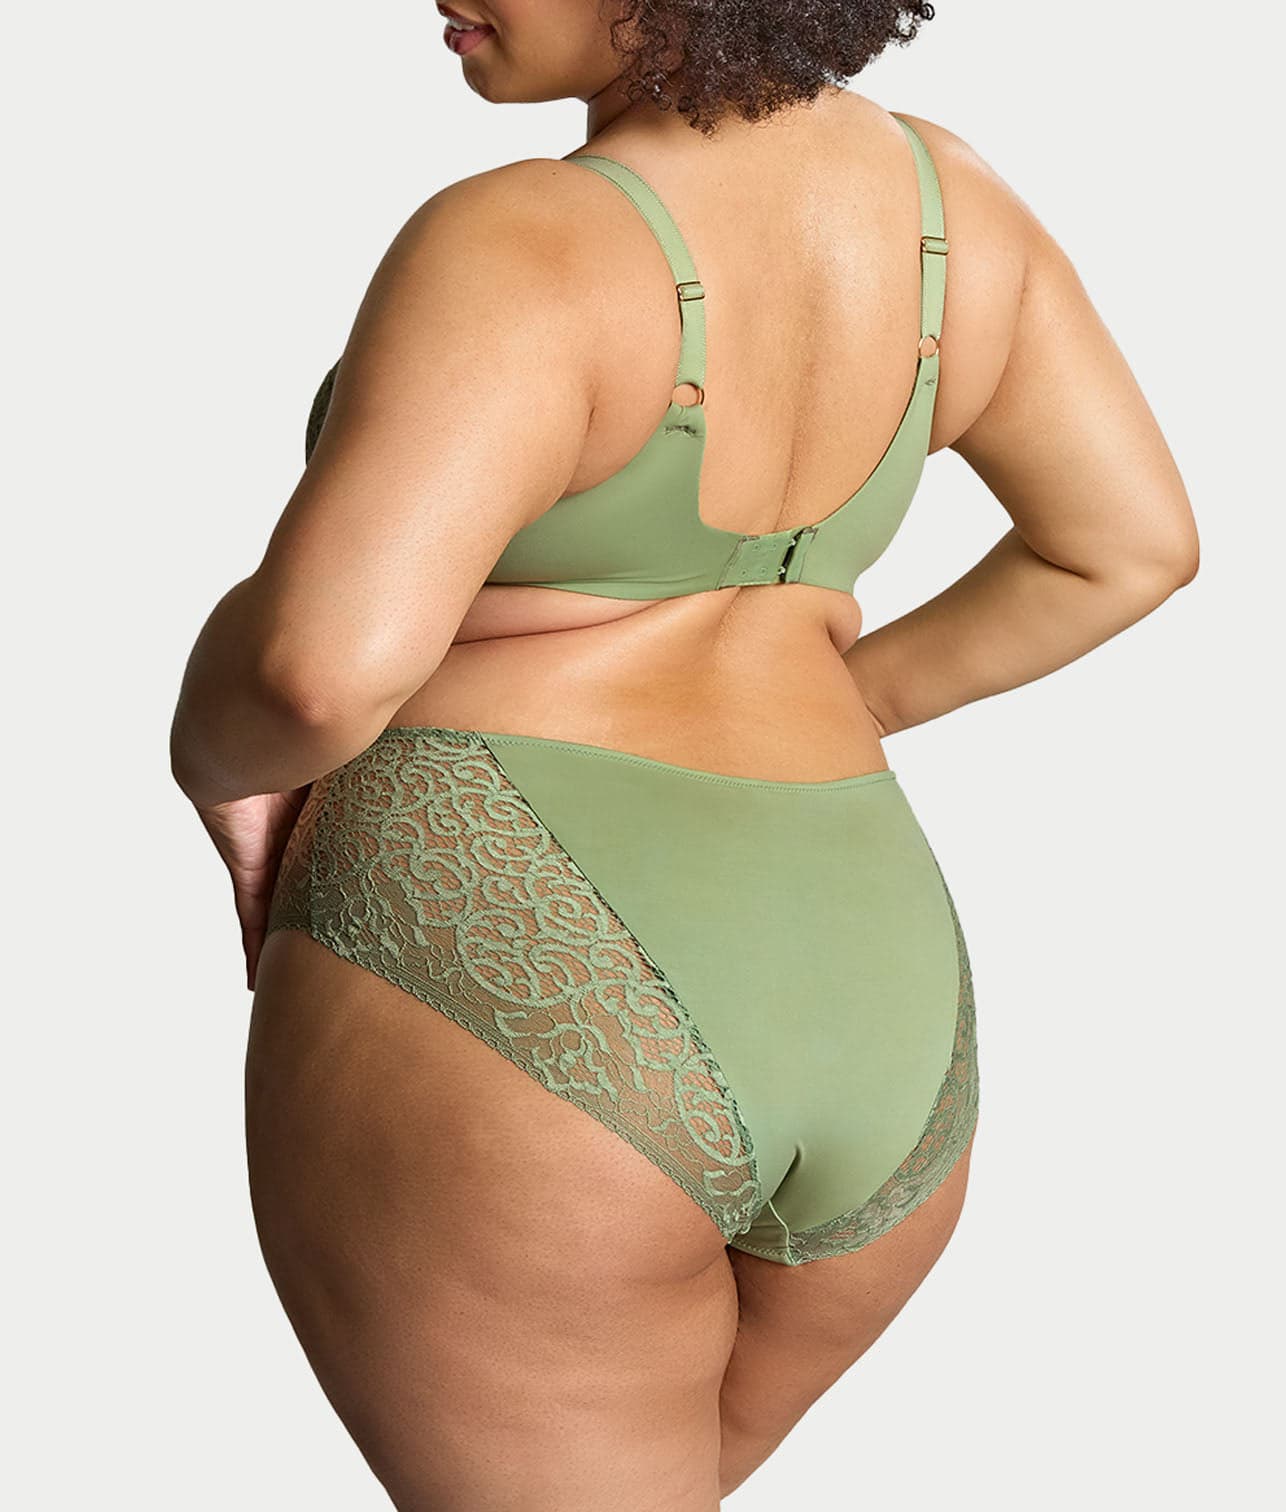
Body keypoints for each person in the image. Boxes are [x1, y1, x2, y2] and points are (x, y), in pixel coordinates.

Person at [169, 3, 1199, 1506]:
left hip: (529, 971)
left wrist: (215, 763)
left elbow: (316, 674)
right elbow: (1127, 547)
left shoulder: (517, 239)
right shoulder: (951, 206)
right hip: (874, 988)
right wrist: (841, 699)